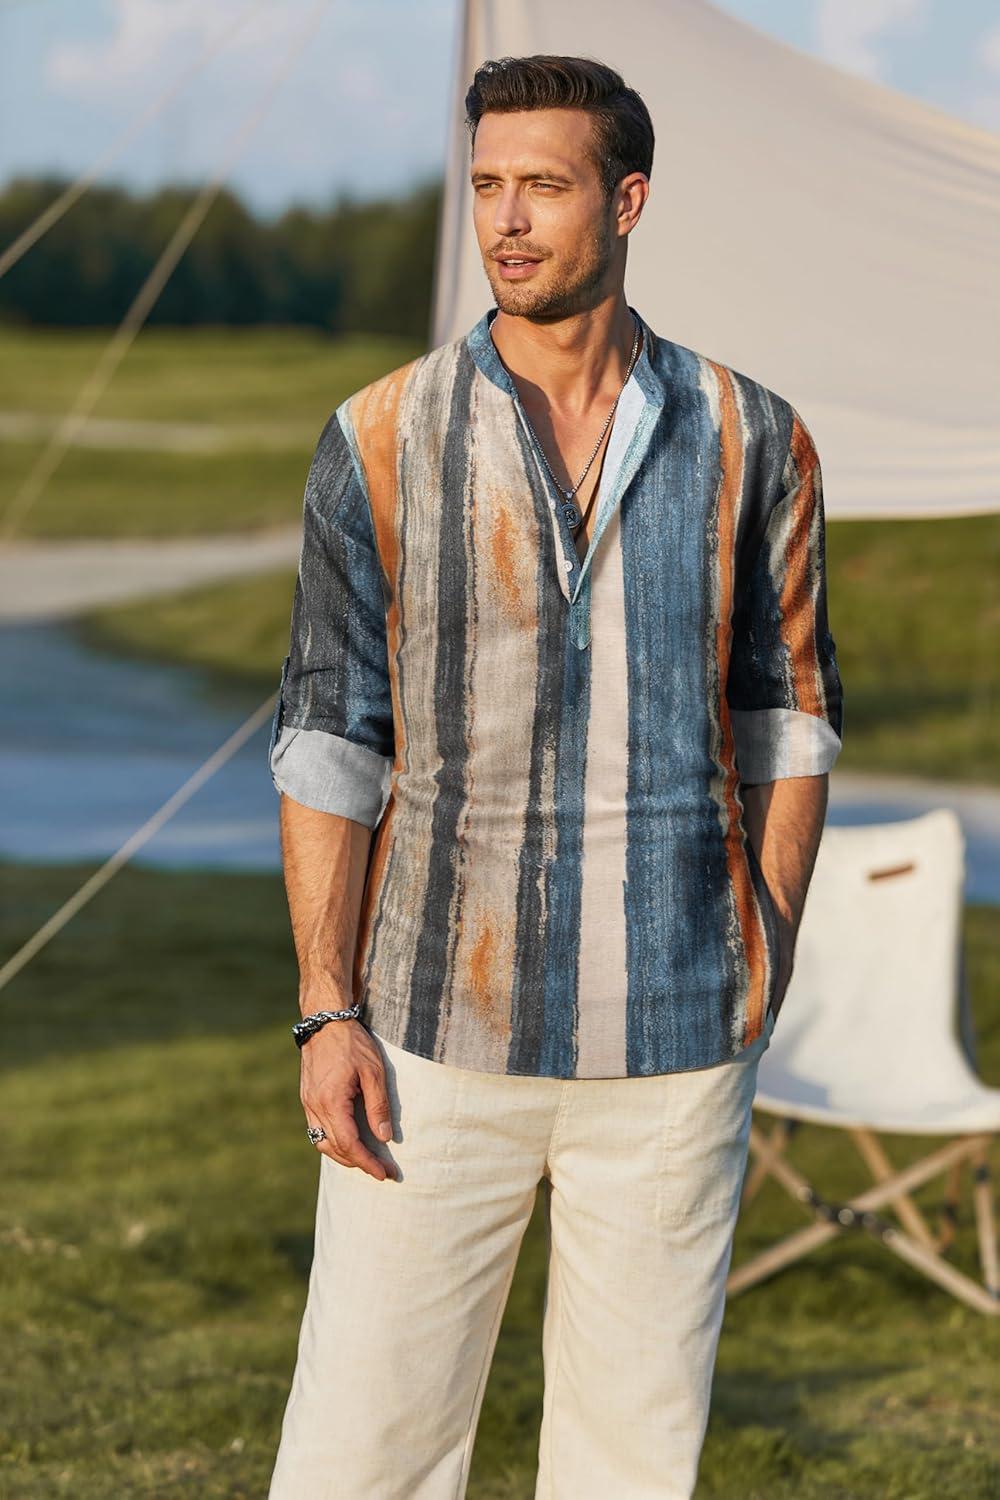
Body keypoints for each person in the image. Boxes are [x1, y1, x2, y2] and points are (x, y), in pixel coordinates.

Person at [265, 53, 844, 1500]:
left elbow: (787, 720)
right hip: (428, 1042)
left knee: (630, 1461)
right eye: (486, 186)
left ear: (627, 200)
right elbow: (331, 740)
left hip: (678, 1038)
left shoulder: (752, 435)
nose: (507, 221)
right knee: (361, 1454)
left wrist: (762, 948)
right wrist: (326, 1008)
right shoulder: (379, 435)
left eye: (543, 185)